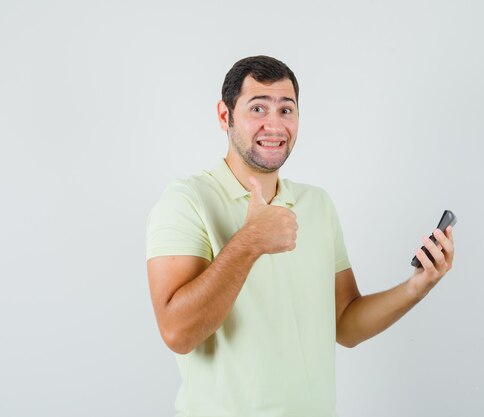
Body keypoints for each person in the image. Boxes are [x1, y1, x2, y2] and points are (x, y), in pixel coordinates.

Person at [146, 55, 455, 417]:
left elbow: (346, 325)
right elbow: (177, 333)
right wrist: (250, 242)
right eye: (257, 108)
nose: (274, 125)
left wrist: (417, 286)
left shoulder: (317, 205)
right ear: (224, 115)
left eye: (286, 110)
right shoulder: (186, 200)